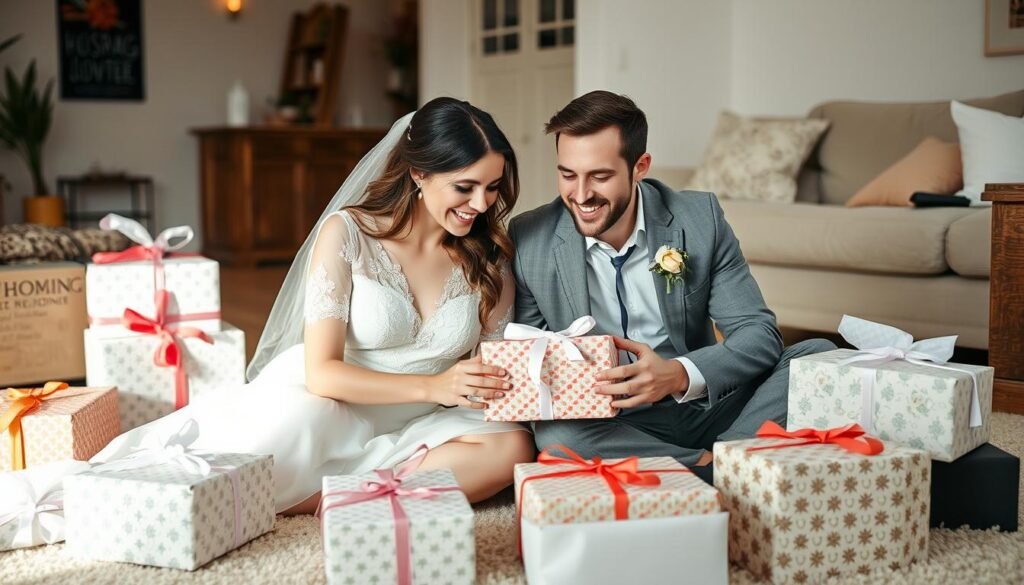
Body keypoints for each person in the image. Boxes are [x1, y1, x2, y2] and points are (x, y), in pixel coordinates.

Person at [92, 97, 535, 514]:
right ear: (419, 173)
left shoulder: (489, 260)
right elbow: (322, 374)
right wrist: (432, 386)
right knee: (266, 449)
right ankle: (369, 494)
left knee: (511, 447)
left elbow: (489, 373)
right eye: (465, 187)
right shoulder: (348, 234)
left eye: (492, 187)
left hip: (427, 421)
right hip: (334, 403)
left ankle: (346, 496)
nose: (481, 204)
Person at [508, 90, 835, 475]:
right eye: (567, 175)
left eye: (600, 176)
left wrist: (679, 374)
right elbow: (532, 366)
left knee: (817, 357)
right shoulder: (530, 239)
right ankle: (724, 467)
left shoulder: (699, 219)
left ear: (640, 167)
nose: (581, 195)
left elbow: (758, 334)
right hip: (614, 425)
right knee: (556, 437)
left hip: (705, 404)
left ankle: (715, 463)